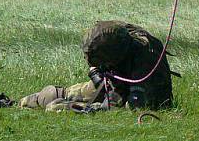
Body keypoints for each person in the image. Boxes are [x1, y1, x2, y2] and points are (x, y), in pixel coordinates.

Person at [19, 20, 178, 113]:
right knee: (50, 96)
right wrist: (98, 75)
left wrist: (93, 109)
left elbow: (136, 104)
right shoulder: (111, 35)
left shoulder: (146, 55)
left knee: (56, 107)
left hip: (142, 93)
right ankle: (18, 103)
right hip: (115, 81)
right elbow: (96, 67)